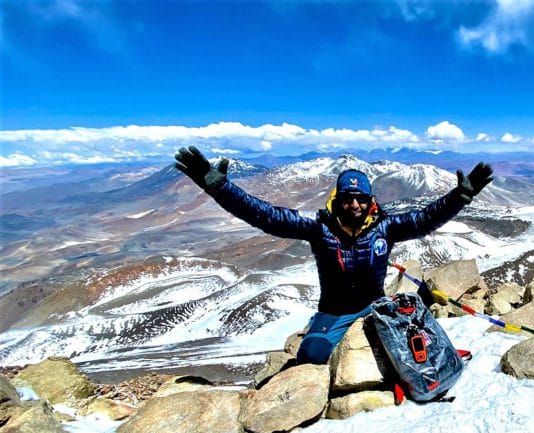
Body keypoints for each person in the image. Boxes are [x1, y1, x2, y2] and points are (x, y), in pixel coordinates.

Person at [174, 146, 493, 364]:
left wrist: (460, 196)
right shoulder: (319, 229)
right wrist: (220, 189)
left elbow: (426, 218)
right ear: (337, 200)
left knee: (415, 343)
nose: (353, 204)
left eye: (360, 198)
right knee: (311, 355)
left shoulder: (386, 228)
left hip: (374, 306)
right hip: (335, 312)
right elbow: (266, 216)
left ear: (370, 202)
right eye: (347, 198)